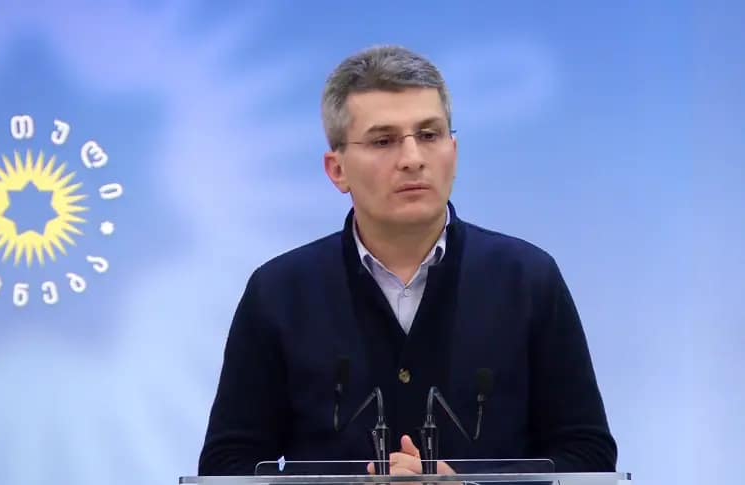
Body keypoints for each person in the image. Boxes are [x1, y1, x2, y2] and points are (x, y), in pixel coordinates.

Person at [198, 45, 617, 476]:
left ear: (454, 151)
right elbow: (226, 467)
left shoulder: (527, 279)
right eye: (383, 141)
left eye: (430, 135)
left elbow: (588, 456)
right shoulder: (279, 292)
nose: (413, 159)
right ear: (337, 170)